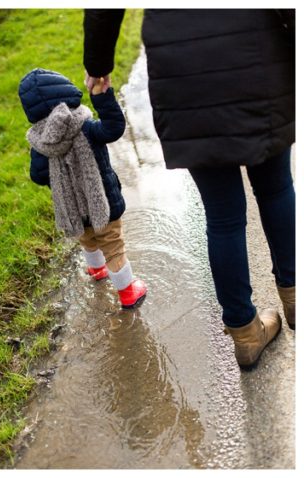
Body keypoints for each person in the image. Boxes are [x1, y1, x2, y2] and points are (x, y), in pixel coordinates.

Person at [84, 9, 295, 369]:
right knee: (275, 189)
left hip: (180, 65)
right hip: (254, 45)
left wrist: (98, 63)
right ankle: (295, 299)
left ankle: (245, 334)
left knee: (223, 215)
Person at [19, 68, 147, 309]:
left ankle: (97, 270)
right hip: (104, 204)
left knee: (87, 239)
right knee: (113, 245)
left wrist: (64, 182)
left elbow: (38, 176)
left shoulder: (41, 143)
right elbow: (114, 128)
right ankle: (129, 292)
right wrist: (102, 96)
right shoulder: (85, 127)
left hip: (74, 209)